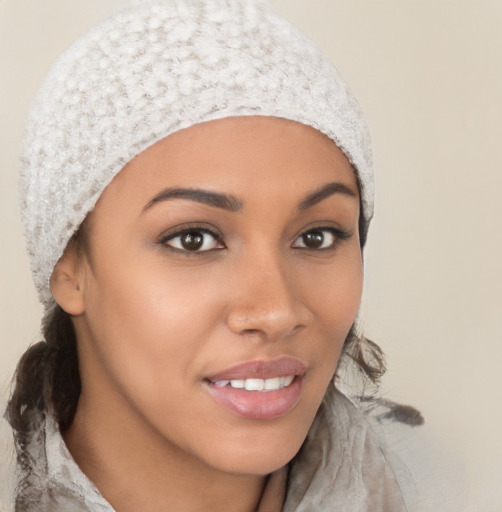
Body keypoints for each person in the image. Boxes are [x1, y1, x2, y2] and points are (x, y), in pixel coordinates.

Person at [2, 0, 459, 510]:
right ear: (69, 267)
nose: (277, 311)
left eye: (317, 237)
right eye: (193, 239)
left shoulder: (470, 488)